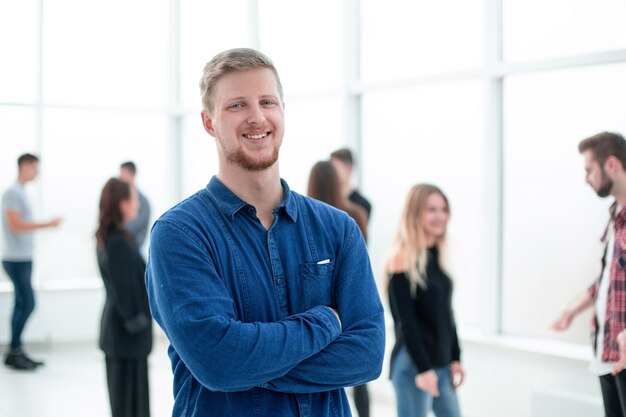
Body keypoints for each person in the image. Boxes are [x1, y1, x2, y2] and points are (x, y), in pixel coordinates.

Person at [145, 48, 385, 417]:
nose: (256, 117)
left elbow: (366, 355)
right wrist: (328, 320)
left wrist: (250, 362)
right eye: (237, 105)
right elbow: (219, 363)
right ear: (209, 122)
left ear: (282, 110)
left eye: (267, 101)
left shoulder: (338, 229)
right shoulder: (180, 234)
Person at [552, 131, 626, 417]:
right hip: (606, 352)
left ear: (611, 164)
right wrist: (572, 309)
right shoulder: (616, 216)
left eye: (589, 170)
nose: (586, 179)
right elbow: (608, 279)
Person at [385, 184, 464, 417]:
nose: (440, 216)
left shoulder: (437, 254)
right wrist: (423, 369)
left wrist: (456, 357)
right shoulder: (401, 257)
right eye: (431, 209)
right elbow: (406, 322)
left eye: (443, 209)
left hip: (441, 363)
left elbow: (446, 314)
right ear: (415, 213)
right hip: (414, 365)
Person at [307, 160, 371, 417]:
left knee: (318, 373)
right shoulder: (354, 215)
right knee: (358, 376)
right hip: (349, 302)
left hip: (317, 306)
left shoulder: (303, 221)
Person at [96, 177, 153, 417]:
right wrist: (138, 320)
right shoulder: (117, 242)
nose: (138, 204)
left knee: (127, 403)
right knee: (129, 406)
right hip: (126, 337)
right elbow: (123, 293)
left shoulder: (111, 237)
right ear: (122, 204)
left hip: (123, 337)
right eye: (134, 198)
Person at [2, 153, 62, 370]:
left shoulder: (20, 193)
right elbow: (15, 225)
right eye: (35, 167)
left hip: (23, 258)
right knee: (27, 303)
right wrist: (47, 225)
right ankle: (14, 350)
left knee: (22, 303)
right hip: (15, 259)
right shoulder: (12, 193)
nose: (37, 172)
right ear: (25, 165)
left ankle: (16, 350)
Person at [330, 148, 372, 219]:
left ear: (349, 169)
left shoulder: (363, 205)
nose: (331, 172)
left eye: (335, 168)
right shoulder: (327, 199)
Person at [119, 161, 151, 251]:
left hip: (133, 250)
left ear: (132, 174)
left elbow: (136, 227)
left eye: (123, 174)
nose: (120, 178)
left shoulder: (143, 202)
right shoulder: (119, 199)